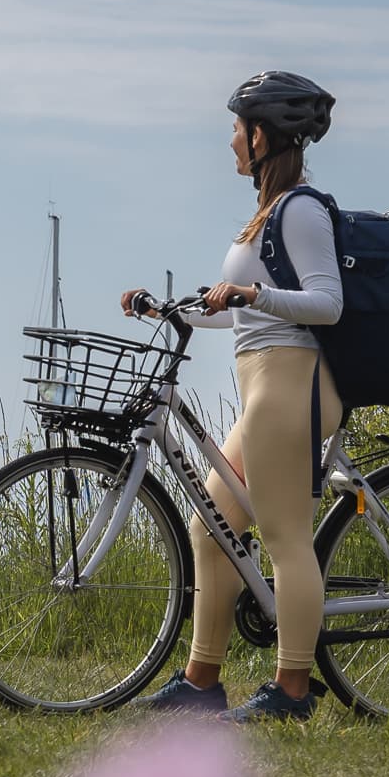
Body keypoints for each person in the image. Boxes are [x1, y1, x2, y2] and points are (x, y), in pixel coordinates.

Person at [120, 71, 343, 723]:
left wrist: (254, 295)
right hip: (265, 383)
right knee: (211, 527)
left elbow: (327, 303)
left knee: (284, 538)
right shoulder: (265, 216)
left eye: (236, 130)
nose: (229, 143)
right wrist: (172, 311)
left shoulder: (301, 210)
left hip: (292, 386)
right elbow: (241, 313)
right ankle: (200, 682)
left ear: (263, 135)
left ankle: (292, 690)